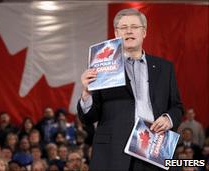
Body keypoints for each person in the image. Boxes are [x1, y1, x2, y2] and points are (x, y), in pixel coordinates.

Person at [77, 8, 183, 170]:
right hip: (113, 153)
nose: (129, 31)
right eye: (123, 27)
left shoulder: (164, 68)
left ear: (144, 32)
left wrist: (168, 118)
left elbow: (176, 107)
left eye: (134, 27)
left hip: (154, 150)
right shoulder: (101, 67)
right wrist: (86, 93)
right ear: (116, 34)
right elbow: (88, 118)